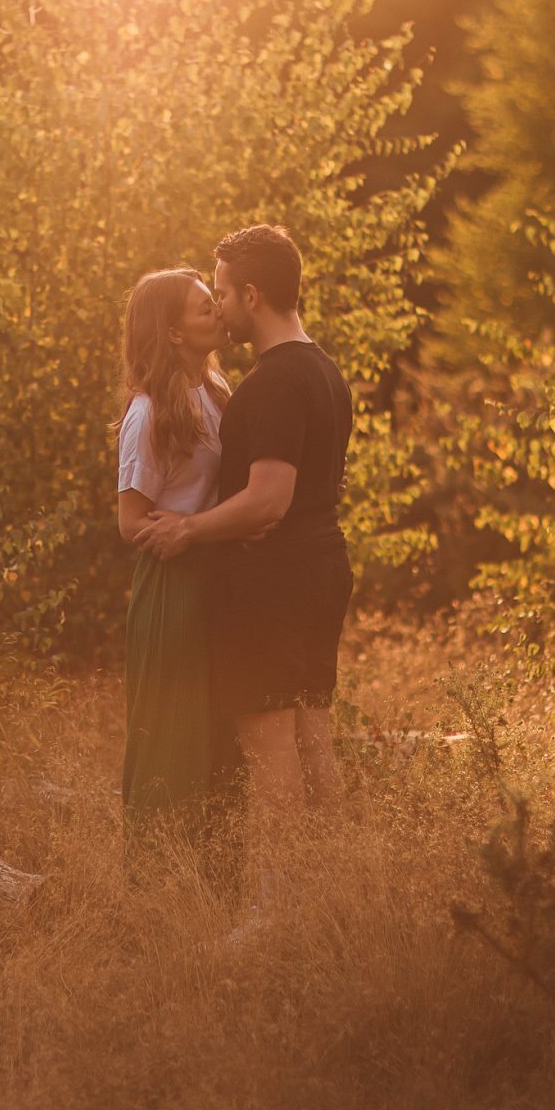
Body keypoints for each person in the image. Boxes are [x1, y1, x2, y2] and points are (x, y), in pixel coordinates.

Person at [134, 224, 354, 911]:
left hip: (272, 586)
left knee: (272, 757)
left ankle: (278, 911)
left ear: (252, 295)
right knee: (316, 745)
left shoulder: (271, 386)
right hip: (320, 574)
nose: (219, 306)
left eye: (223, 291)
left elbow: (267, 502)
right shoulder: (324, 370)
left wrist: (190, 528)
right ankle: (337, 895)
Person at [114, 267, 232, 840]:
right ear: (174, 334)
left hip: (217, 572)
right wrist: (186, 527)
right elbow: (130, 520)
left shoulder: (216, 392)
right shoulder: (149, 412)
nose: (219, 312)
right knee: (171, 730)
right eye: (204, 307)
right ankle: (157, 868)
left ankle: (213, 868)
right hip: (172, 584)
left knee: (215, 727)